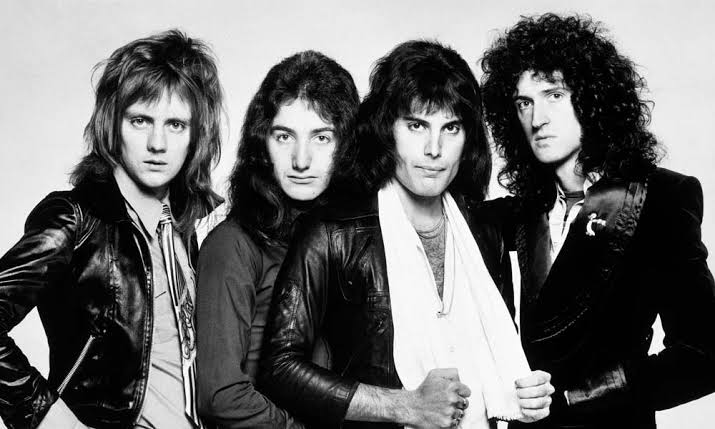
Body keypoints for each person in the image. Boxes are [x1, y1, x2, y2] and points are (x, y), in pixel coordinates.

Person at [259, 40, 554, 429]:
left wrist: (527, 396)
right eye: (417, 126)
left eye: (451, 128)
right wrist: (403, 406)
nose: (434, 149)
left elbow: (501, 361)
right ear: (387, 130)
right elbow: (278, 367)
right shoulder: (332, 232)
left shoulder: (486, 232)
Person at [480, 13, 715, 429]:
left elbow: (705, 354)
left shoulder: (659, 198)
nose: (537, 118)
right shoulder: (521, 211)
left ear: (592, 98)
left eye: (554, 95)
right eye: (523, 103)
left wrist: (573, 399)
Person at [0, 30, 224, 429]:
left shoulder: (194, 225)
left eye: (175, 124)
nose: (158, 143)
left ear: (196, 135)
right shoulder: (76, 219)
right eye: (140, 121)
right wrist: (51, 418)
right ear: (113, 123)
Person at [195, 50, 360, 428]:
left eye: (321, 137)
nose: (301, 160)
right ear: (262, 145)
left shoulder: (346, 242)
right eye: (284, 137)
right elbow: (220, 396)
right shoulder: (234, 245)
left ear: (346, 147)